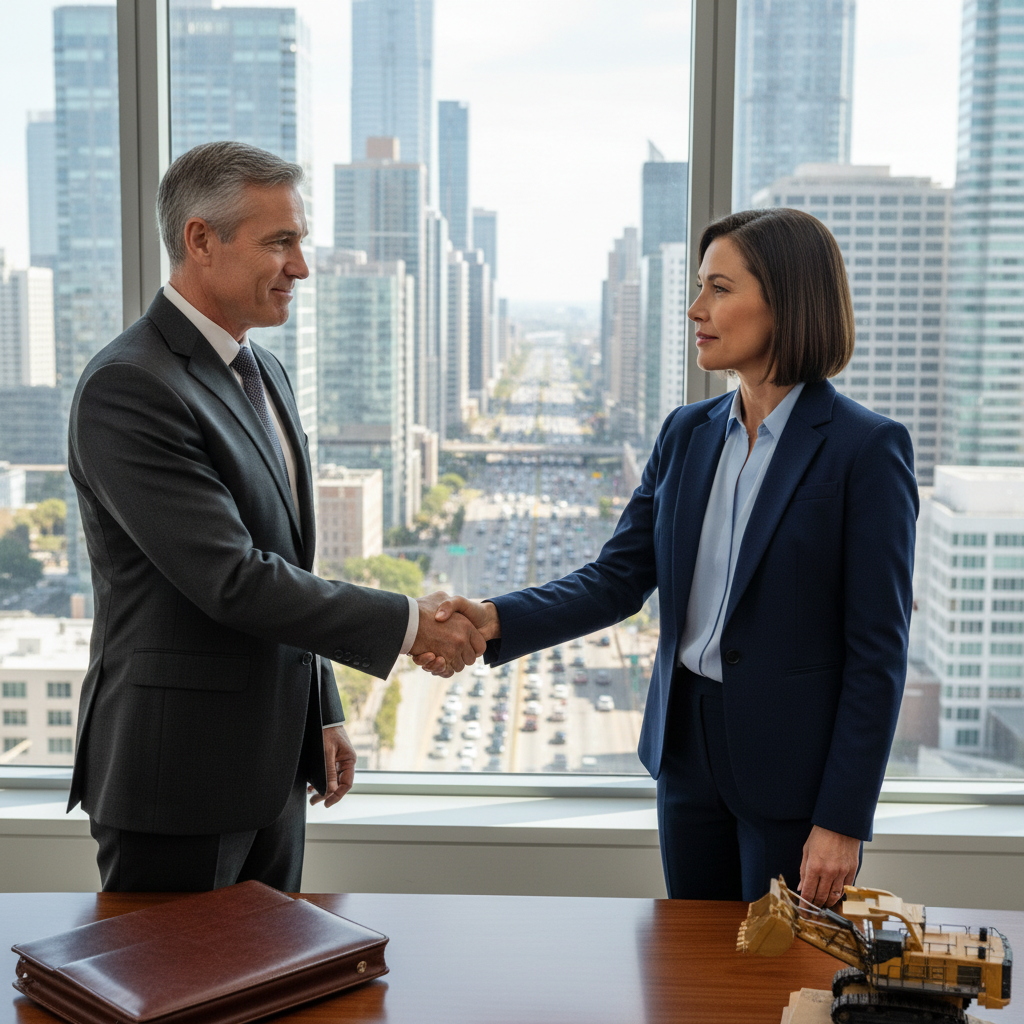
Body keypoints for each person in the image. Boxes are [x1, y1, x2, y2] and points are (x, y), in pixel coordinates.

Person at [419, 208, 918, 908]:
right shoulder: (686, 433)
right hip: (686, 754)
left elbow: (878, 652)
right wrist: (494, 618)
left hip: (794, 775)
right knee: (686, 971)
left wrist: (843, 817)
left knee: (769, 993)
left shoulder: (865, 450)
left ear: (786, 303)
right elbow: (617, 579)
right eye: (698, 287)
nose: (695, 309)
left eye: (719, 288)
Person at [67, 141, 483, 892]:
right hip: (177, 780)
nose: (301, 266)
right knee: (176, 999)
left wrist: (319, 709)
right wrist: (414, 624)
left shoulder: (266, 371)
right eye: (279, 243)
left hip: (274, 771)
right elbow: (230, 578)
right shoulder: (131, 385)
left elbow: (286, 563)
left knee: (272, 994)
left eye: (301, 241)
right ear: (200, 240)